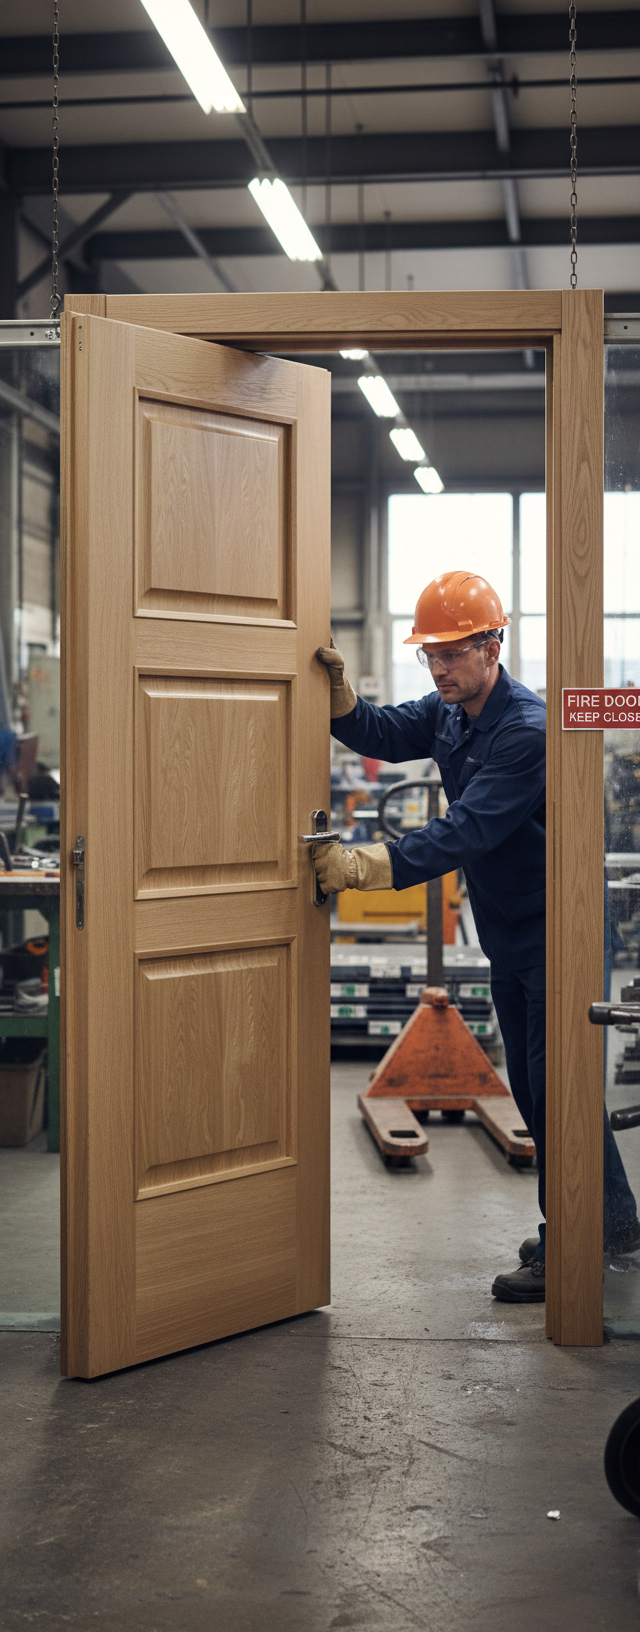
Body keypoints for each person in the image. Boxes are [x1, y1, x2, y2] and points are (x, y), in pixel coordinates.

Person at [315, 569, 640, 1303]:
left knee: (553, 1089)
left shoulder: (525, 730)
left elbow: (467, 830)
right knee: (535, 1084)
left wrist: (365, 865)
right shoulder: (451, 710)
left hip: (558, 929)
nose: (439, 668)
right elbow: (383, 731)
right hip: (509, 928)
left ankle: (572, 1246)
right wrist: (341, 703)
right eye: (430, 654)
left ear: (494, 647)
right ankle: (612, 1224)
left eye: (453, 653)